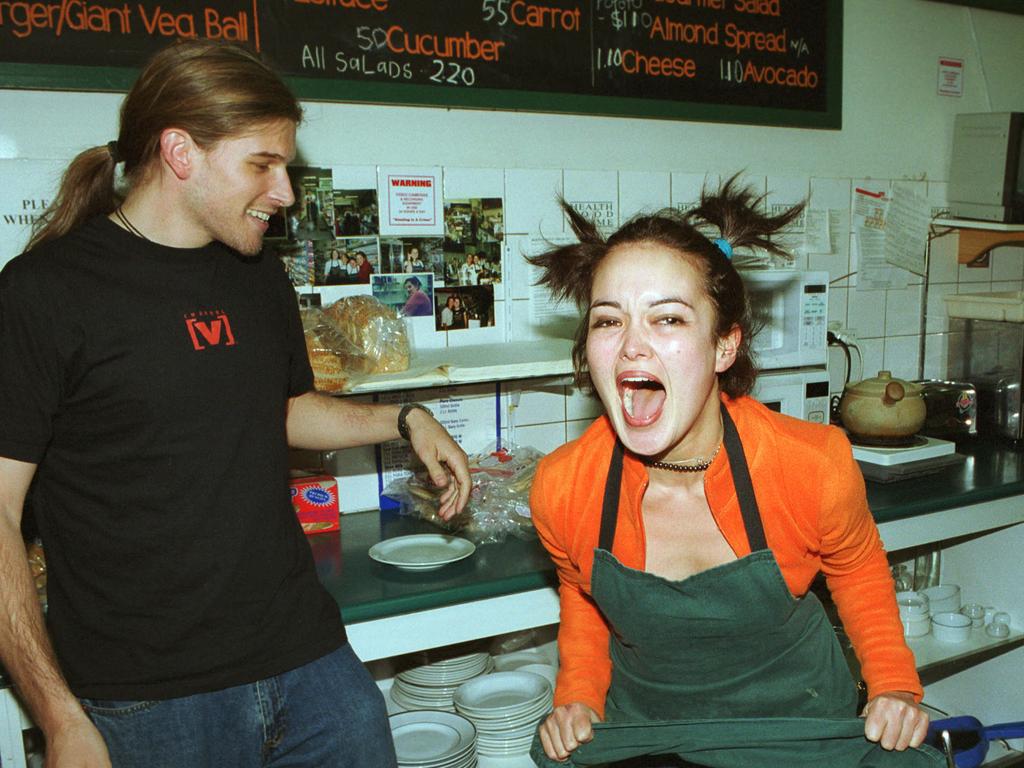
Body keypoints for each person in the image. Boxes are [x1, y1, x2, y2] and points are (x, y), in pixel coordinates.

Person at [0, 39, 471, 768]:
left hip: (308, 660)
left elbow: (281, 410)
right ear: (180, 152)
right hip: (149, 697)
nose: (284, 192)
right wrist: (59, 717)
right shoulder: (44, 293)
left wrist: (404, 419)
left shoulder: (255, 274)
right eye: (263, 164)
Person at [524, 178, 938, 768]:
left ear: (724, 347)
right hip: (654, 734)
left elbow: (858, 570)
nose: (631, 347)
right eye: (608, 321)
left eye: (667, 320)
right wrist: (579, 697)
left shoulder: (811, 465)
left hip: (798, 729)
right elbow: (583, 594)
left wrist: (894, 685)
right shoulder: (564, 487)